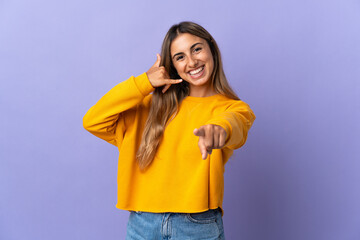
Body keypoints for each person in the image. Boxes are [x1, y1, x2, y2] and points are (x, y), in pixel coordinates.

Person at [83, 21, 256, 240]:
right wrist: (144, 82)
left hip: (197, 224)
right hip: (143, 223)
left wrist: (219, 130)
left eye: (197, 49)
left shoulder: (231, 108)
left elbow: (234, 123)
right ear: (172, 65)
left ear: (211, 48)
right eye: (180, 57)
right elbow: (93, 120)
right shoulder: (148, 107)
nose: (192, 62)